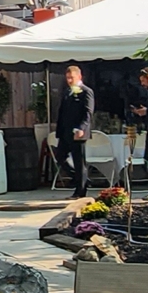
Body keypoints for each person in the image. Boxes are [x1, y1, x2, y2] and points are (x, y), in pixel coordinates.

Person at [54, 64, 96, 196]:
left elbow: (88, 112)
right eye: (67, 78)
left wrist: (82, 128)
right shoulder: (67, 91)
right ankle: (80, 178)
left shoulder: (86, 91)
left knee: (79, 162)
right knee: (59, 156)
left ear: (79, 76)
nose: (69, 80)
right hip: (65, 131)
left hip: (78, 132)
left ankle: (80, 191)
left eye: (71, 78)